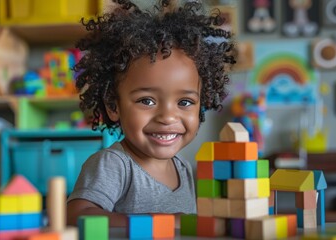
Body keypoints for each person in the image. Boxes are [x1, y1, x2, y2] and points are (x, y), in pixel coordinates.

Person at [67, 0, 236, 227]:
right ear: (113, 106)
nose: (167, 117)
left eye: (185, 102)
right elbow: (76, 215)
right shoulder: (114, 164)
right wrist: (161, 222)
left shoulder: (183, 168)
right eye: (147, 101)